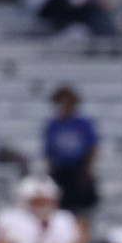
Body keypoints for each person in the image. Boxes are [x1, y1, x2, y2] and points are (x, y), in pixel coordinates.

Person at [43, 86, 99, 214]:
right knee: (61, 207)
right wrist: (50, 173)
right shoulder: (53, 126)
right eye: (61, 103)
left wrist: (86, 169)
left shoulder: (83, 124)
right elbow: (50, 153)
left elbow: (92, 147)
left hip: (79, 170)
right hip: (61, 170)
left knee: (82, 208)